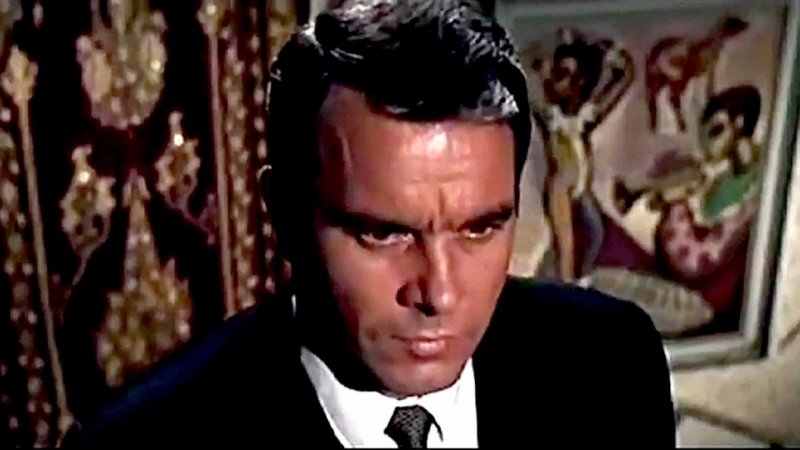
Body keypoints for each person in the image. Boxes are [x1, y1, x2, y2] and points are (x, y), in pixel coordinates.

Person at [61, 0, 676, 447]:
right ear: (283, 214)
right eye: (385, 233)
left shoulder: (609, 362)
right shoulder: (144, 443)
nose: (439, 294)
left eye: (480, 228)